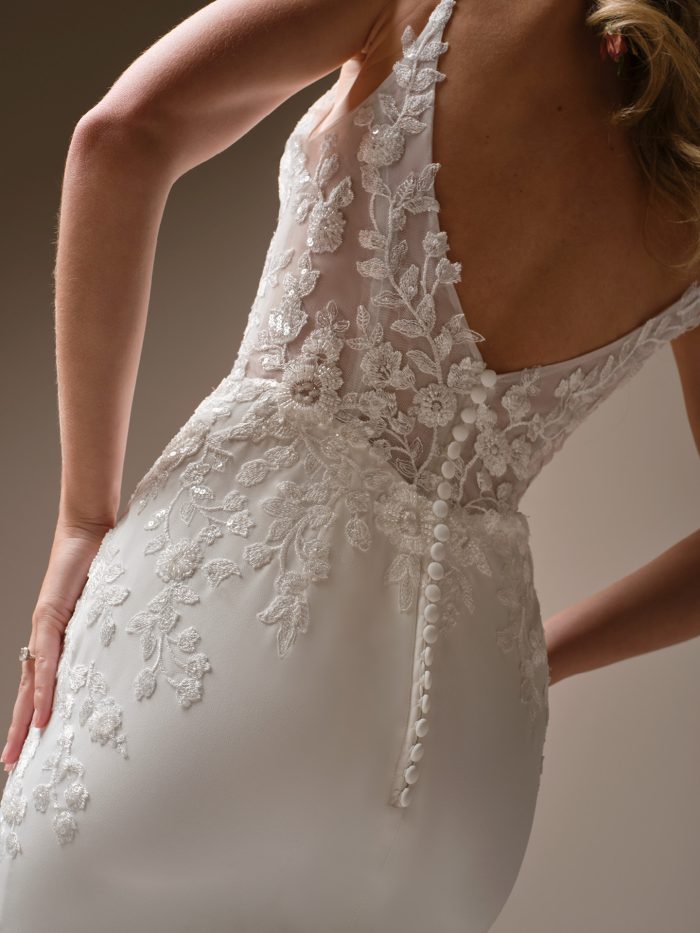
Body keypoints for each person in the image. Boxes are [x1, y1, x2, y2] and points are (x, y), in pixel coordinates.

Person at [1, 0, 699, 930]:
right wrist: (535, 657)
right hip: (465, 746)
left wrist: (83, 517)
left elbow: (120, 136)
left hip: (227, 622)